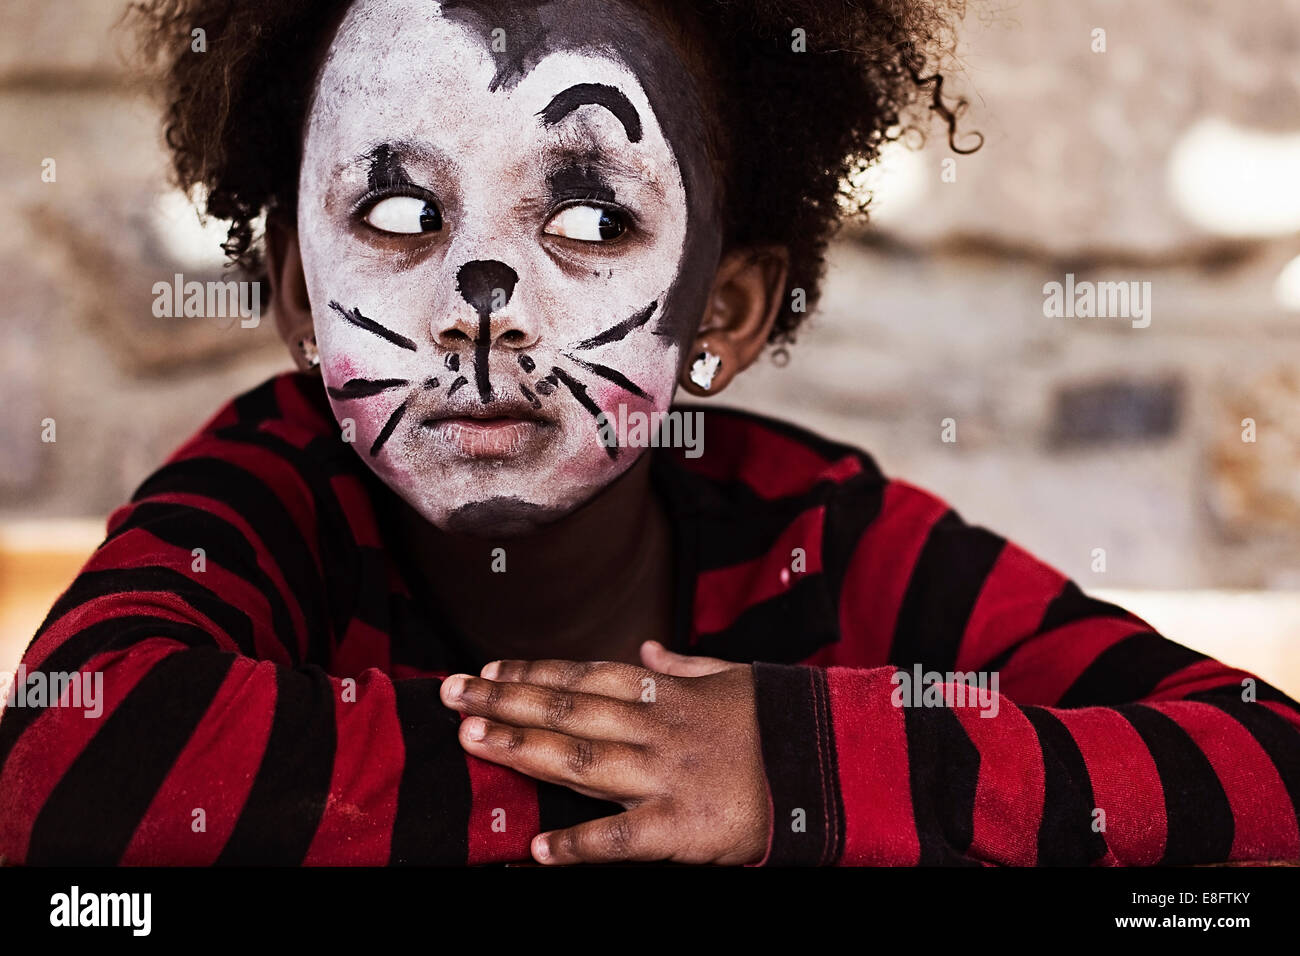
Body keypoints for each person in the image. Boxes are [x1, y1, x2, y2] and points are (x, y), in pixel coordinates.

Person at [1, 0, 1297, 867]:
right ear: (293, 293)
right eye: (398, 216)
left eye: (590, 220)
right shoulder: (270, 494)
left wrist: (787, 762)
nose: (479, 311)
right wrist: (683, 798)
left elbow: (1265, 762)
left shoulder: (818, 536)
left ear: (720, 313)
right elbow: (68, 766)